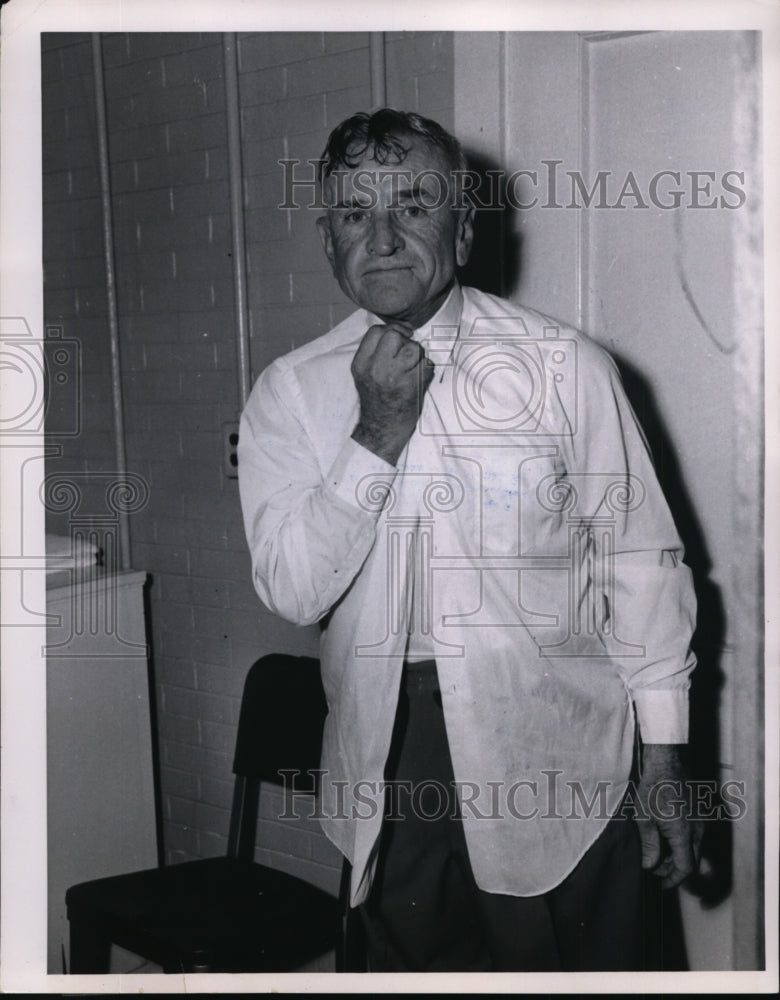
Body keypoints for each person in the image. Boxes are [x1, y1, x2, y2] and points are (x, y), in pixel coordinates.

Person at [238, 109, 700, 972]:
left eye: (412, 204)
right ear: (325, 236)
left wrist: (665, 757)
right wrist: (375, 432)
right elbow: (294, 591)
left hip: (563, 755)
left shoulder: (566, 367)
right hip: (387, 756)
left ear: (463, 227)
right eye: (352, 213)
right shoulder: (288, 394)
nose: (380, 236)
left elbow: (640, 561)